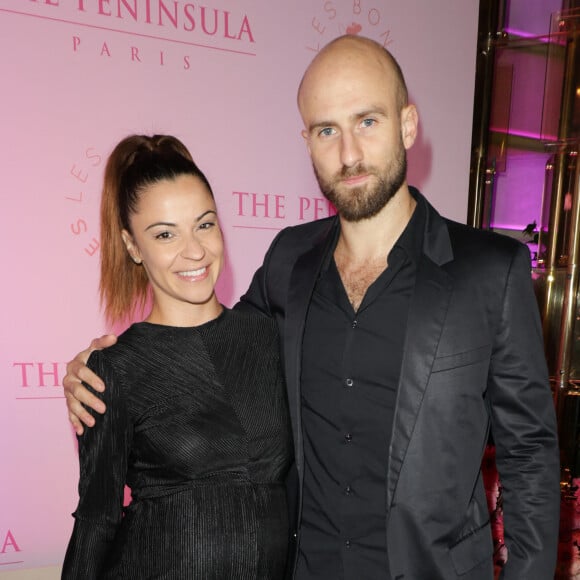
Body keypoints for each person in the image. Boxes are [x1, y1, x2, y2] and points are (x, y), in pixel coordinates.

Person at [63, 35, 560, 579]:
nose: (348, 154)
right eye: (327, 130)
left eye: (367, 121)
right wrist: (99, 368)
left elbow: (530, 454)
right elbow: (207, 342)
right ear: (307, 141)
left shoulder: (491, 271)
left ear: (408, 124)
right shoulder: (288, 263)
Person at [61, 134, 292, 579]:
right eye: (166, 234)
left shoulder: (267, 335)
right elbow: (96, 519)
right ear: (132, 246)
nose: (194, 251)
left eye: (204, 224)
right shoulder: (114, 369)